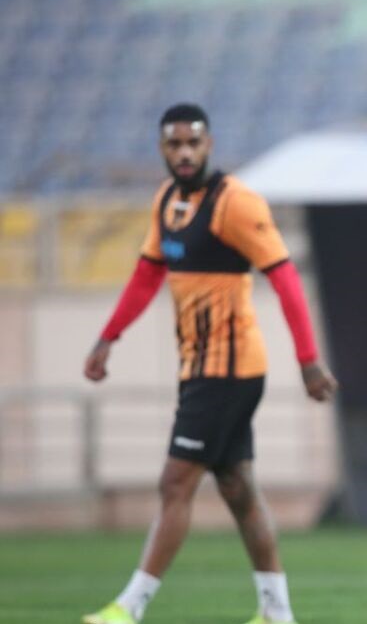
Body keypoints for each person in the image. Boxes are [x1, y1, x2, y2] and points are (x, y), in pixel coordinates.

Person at [81, 104, 338, 624]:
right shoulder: (167, 201)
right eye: (174, 144)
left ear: (209, 145)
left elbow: (285, 279)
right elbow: (147, 276)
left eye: (192, 143)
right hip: (198, 368)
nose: (184, 153)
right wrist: (108, 337)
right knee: (238, 489)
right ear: (162, 148)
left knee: (175, 482)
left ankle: (129, 608)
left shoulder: (235, 203)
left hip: (229, 369)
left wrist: (308, 361)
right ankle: (277, 612)